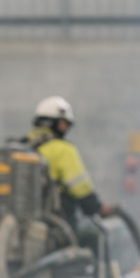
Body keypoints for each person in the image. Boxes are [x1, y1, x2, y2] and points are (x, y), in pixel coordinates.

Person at [24, 96, 115, 227]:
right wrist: (97, 207)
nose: (65, 128)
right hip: (56, 225)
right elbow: (80, 187)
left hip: (25, 224)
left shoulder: (22, 147)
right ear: (55, 123)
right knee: (94, 236)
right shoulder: (63, 149)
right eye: (63, 124)